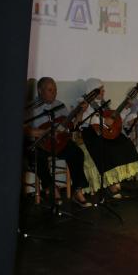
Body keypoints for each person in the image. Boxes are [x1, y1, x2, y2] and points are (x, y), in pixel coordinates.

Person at [25, 77, 92, 207]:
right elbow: (24, 129)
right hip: (40, 143)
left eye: (55, 90)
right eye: (50, 90)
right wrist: (43, 132)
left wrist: (80, 112)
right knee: (37, 158)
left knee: (77, 152)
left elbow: (71, 125)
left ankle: (77, 191)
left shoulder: (60, 105)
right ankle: (51, 188)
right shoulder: (31, 108)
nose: (54, 93)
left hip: (58, 142)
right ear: (40, 90)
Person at [78, 78, 138, 197]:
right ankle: (110, 184)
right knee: (106, 148)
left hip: (107, 132)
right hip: (92, 133)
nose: (103, 91)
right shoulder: (85, 104)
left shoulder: (105, 104)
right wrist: (103, 120)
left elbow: (115, 120)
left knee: (124, 142)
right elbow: (83, 121)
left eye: (102, 89)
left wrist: (126, 108)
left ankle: (118, 179)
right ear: (92, 90)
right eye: (101, 90)